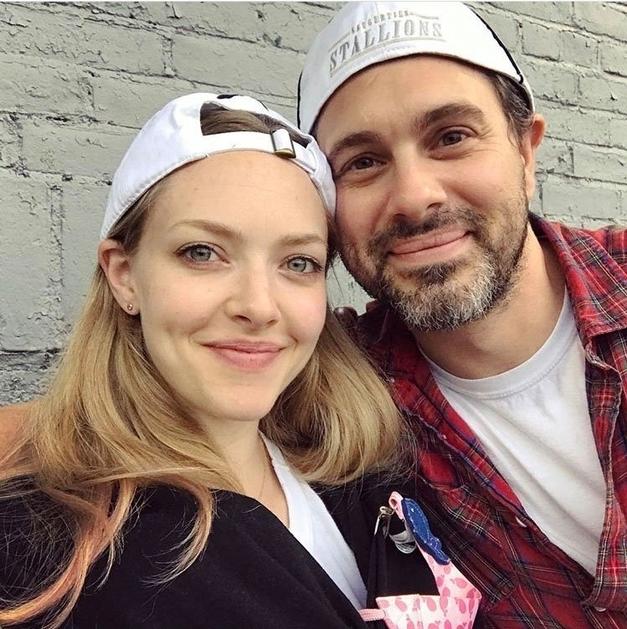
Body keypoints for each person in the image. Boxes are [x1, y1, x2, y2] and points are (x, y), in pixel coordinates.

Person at [0, 93, 482, 629]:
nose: (258, 307)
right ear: (124, 275)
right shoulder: (48, 554)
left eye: (297, 263)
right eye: (202, 253)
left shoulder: (351, 474)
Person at [297, 1, 627, 626]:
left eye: (451, 137)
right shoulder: (336, 388)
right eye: (363, 162)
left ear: (526, 152)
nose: (414, 196)